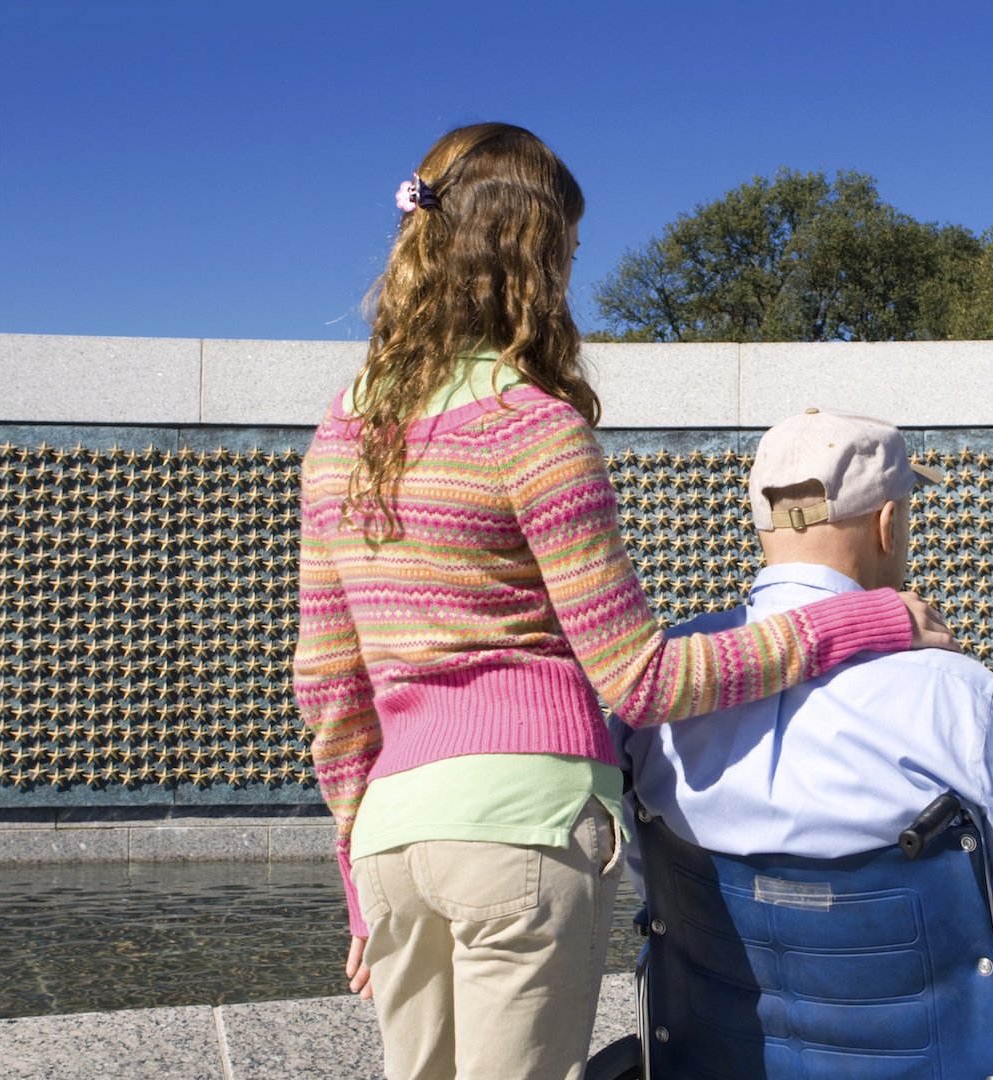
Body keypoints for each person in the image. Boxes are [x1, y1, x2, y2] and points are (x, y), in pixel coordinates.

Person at [293, 125, 954, 1080]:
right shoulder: (532, 428)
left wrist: (360, 872)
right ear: (534, 254)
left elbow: (328, 685)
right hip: (522, 827)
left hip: (394, 842)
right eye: (566, 250)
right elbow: (643, 679)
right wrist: (865, 621)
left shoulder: (342, 438)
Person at [615, 408, 993, 968]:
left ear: (760, 523)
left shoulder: (660, 695)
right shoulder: (956, 699)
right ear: (888, 524)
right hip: (927, 1050)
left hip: (716, 1041)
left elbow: (650, 888)